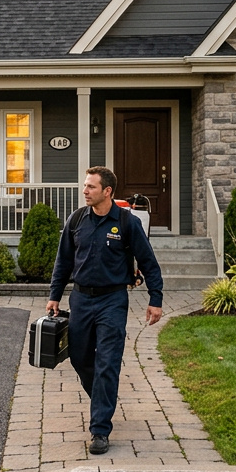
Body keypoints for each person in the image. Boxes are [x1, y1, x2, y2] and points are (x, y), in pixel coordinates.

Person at [46, 166, 164, 455]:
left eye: (91, 187)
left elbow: (148, 262)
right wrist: (54, 295)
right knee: (80, 358)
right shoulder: (76, 220)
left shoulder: (127, 222)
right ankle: (103, 397)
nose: (85, 191)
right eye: (85, 186)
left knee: (107, 364)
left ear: (107, 191)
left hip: (113, 301)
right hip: (81, 300)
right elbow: (63, 262)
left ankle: (100, 429)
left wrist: (156, 299)